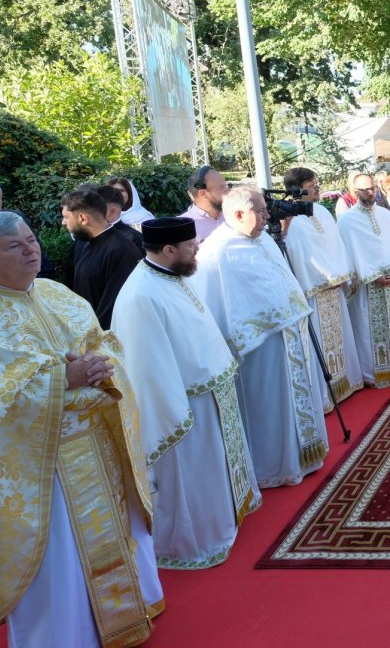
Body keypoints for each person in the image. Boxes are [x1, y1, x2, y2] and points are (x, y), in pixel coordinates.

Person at [0, 211, 162, 647]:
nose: (31, 250)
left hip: (95, 444)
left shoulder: (58, 294)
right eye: (15, 247)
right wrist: (60, 379)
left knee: (109, 536)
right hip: (42, 466)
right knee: (61, 561)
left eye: (31, 240)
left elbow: (104, 341)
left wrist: (101, 368)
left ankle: (121, 618)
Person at [110, 216, 263, 569]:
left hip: (211, 393)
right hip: (185, 406)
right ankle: (195, 541)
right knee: (194, 473)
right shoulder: (140, 296)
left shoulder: (173, 275)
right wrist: (174, 414)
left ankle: (227, 515)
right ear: (168, 250)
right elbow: (146, 368)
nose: (197, 249)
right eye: (191, 245)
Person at [190, 185, 329, 488]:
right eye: (261, 211)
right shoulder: (219, 252)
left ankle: (301, 457)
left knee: (291, 401)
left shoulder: (261, 238)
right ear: (239, 214)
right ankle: (273, 468)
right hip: (257, 349)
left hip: (286, 338)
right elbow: (222, 307)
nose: (269, 216)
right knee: (268, 406)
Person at [281, 167, 364, 407]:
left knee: (339, 338)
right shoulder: (289, 217)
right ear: (298, 188)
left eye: (317, 182)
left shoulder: (322, 212)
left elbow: (334, 245)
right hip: (313, 291)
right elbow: (296, 253)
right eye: (312, 184)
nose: (317, 187)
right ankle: (325, 394)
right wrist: (319, 279)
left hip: (334, 285)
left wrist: (340, 275)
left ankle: (344, 383)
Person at [337, 172, 390, 388]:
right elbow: (349, 254)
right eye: (364, 189)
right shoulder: (347, 220)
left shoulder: (385, 215)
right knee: (366, 328)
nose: (369, 192)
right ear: (354, 192)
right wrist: (373, 276)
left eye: (372, 188)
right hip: (366, 287)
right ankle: (372, 373)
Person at [61, 187, 142, 329]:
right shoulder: (84, 244)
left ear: (82, 218)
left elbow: (114, 306)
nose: (63, 222)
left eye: (66, 217)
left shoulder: (121, 250)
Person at [93, 183, 146, 254]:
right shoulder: (86, 235)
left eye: (96, 208)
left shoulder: (134, 238)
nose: (90, 212)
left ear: (112, 211)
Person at [181, 165, 229, 242]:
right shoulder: (182, 226)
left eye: (226, 186)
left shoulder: (235, 216)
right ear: (203, 193)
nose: (227, 191)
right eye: (222, 187)